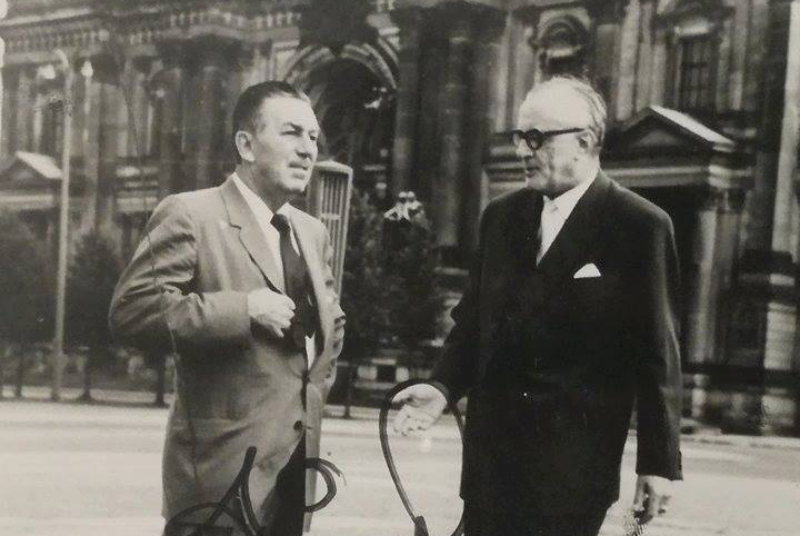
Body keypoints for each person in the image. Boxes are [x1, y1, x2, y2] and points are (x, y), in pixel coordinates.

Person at [394, 76, 683, 536]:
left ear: (584, 141)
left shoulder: (639, 225)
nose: (521, 151)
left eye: (535, 138)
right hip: (488, 467)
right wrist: (443, 386)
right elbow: (473, 323)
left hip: (570, 476)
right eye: (518, 137)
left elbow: (657, 353)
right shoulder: (500, 217)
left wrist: (659, 463)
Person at [109, 81, 345, 536]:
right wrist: (244, 310)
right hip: (217, 481)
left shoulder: (312, 233)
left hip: (296, 479)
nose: (307, 150)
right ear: (246, 145)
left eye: (314, 137)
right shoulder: (190, 214)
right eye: (292, 133)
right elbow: (132, 311)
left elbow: (329, 330)